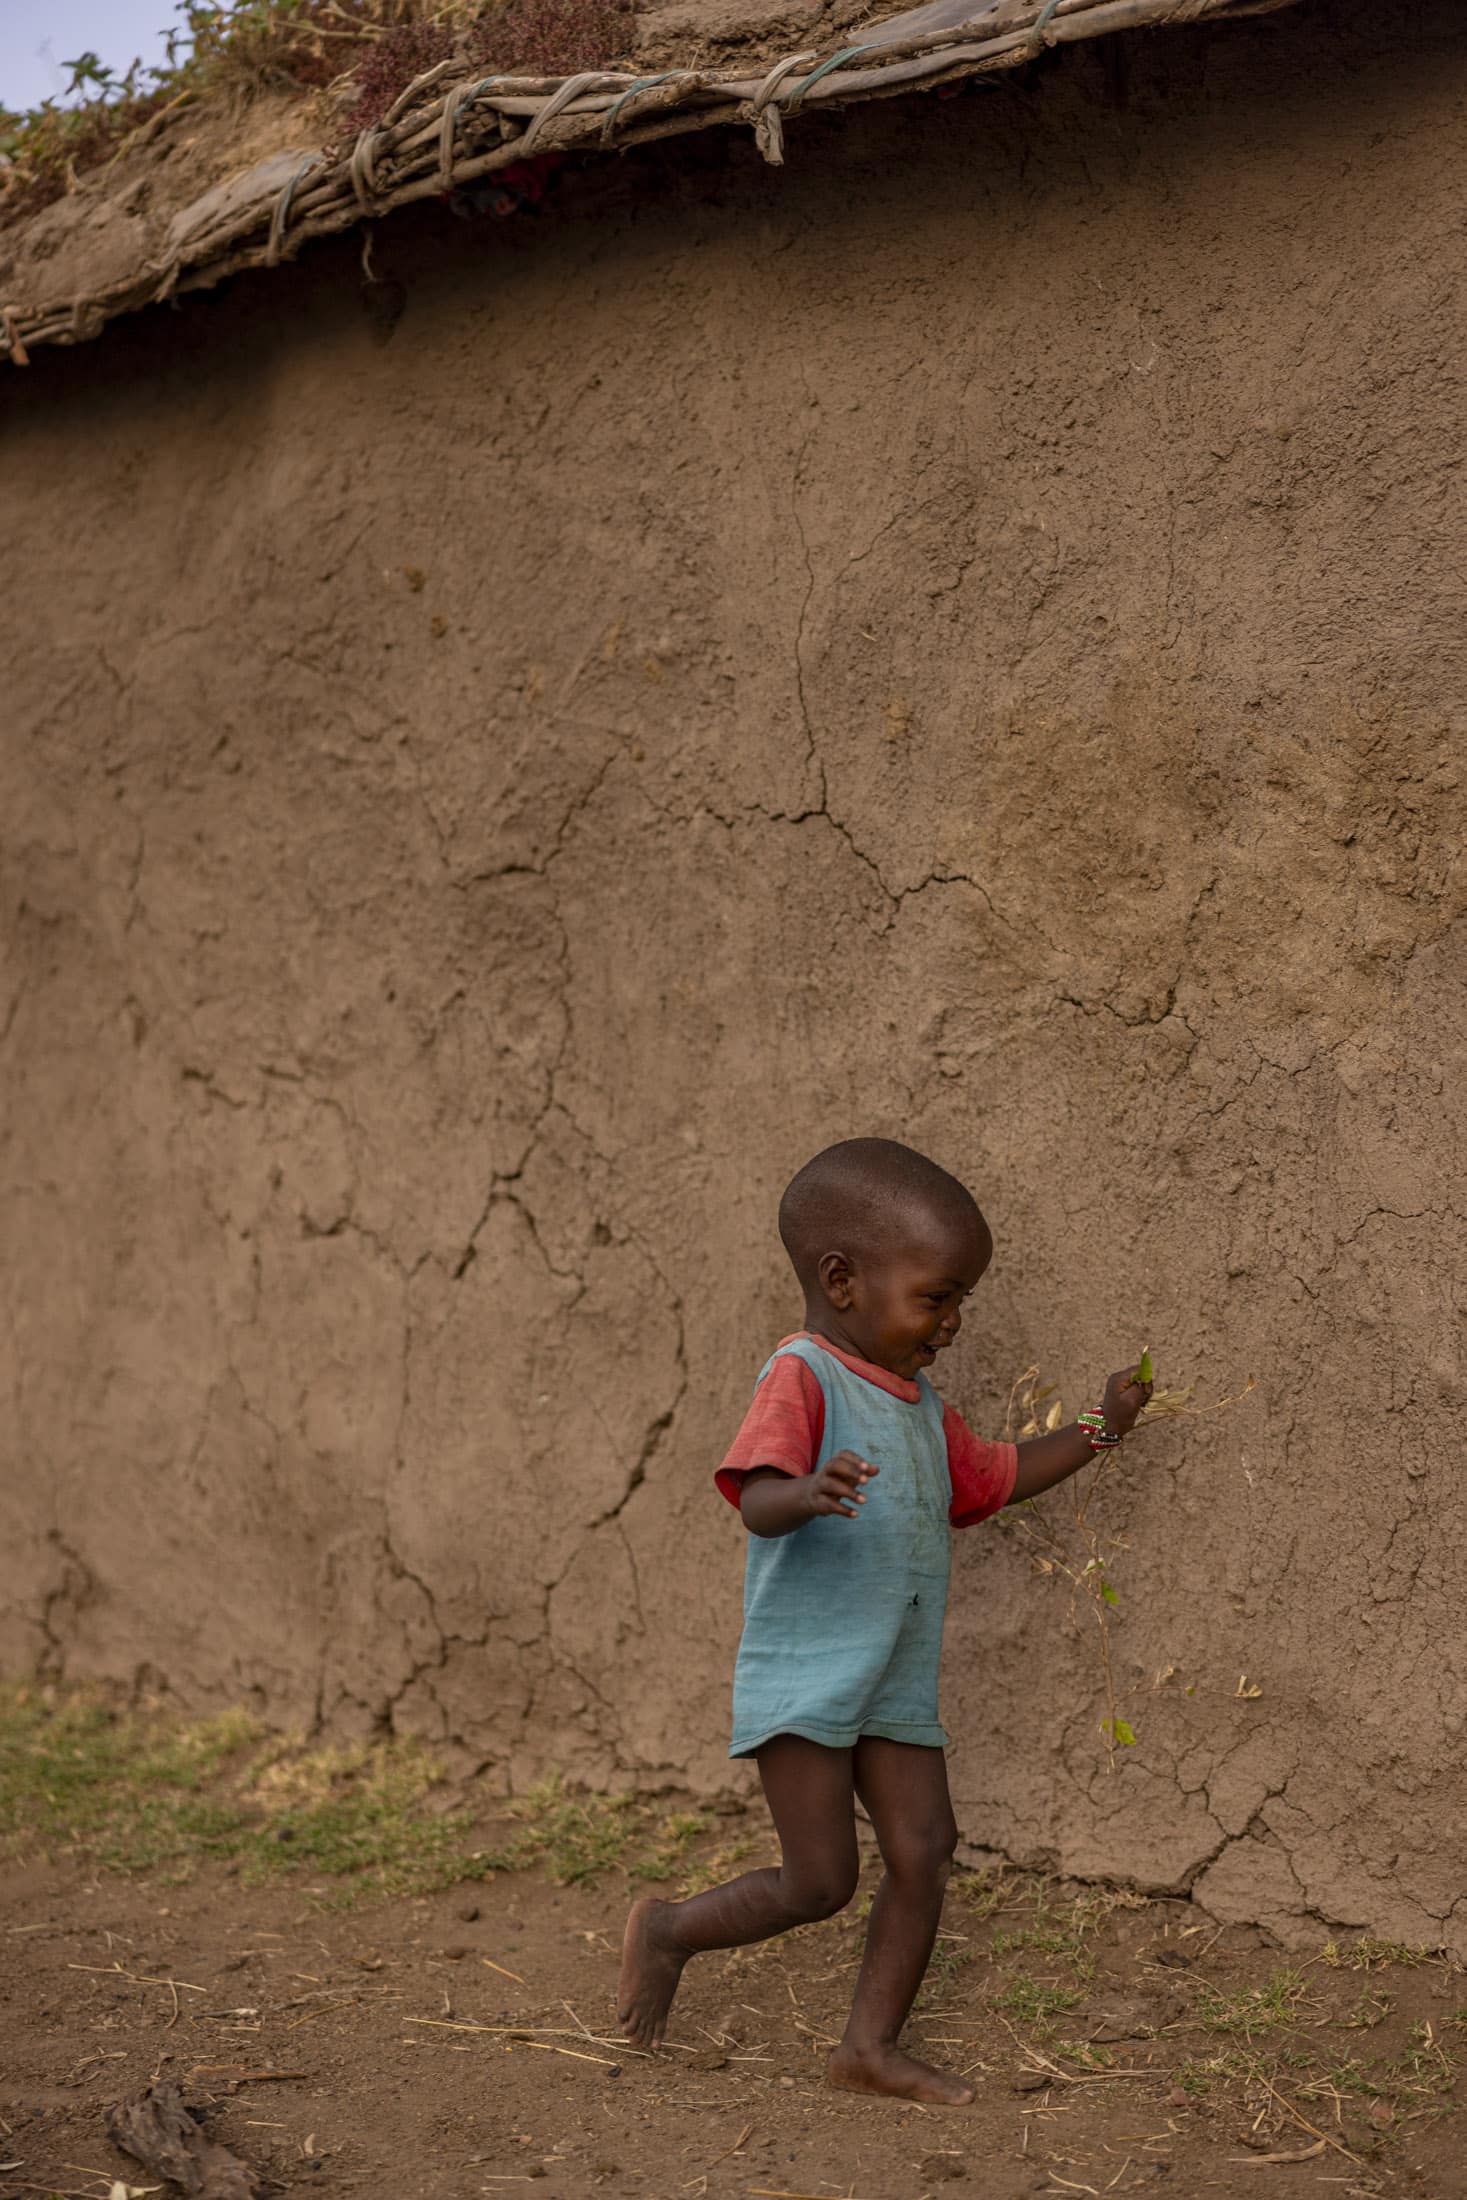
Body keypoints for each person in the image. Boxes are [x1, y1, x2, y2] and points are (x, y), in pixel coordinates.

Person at [617, 1136, 1152, 2104]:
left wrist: (1102, 1427)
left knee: (922, 1848)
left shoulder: (920, 1407)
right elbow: (755, 1497)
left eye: (960, 1302)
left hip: (894, 1676)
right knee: (817, 1882)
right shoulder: (803, 1374)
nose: (950, 1322)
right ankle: (667, 1929)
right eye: (938, 1296)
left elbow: (991, 1480)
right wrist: (806, 1488)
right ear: (842, 1278)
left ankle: (867, 2049)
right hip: (812, 1671)